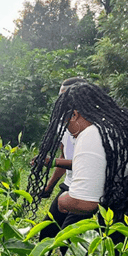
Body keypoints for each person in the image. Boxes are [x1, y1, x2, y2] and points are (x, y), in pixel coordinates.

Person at [28, 82, 128, 256]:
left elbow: (85, 202)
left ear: (75, 115)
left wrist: (63, 201)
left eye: (66, 122)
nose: (69, 131)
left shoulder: (93, 132)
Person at [35, 77, 90, 241]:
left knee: (68, 237)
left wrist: (52, 162)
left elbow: (86, 163)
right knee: (47, 232)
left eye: (66, 97)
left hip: (87, 189)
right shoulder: (62, 123)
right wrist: (50, 186)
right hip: (69, 185)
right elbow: (65, 156)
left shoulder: (92, 126)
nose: (62, 101)